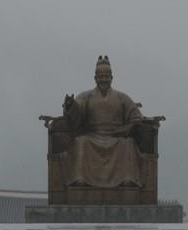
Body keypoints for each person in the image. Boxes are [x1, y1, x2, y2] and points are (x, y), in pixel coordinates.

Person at [61, 55, 143, 188]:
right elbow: (77, 112)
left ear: (112, 77)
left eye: (106, 76)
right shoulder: (86, 96)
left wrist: (127, 128)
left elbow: (136, 116)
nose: (104, 80)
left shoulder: (122, 97)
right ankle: (80, 180)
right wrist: (71, 105)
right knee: (81, 142)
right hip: (93, 136)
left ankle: (128, 180)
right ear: (95, 78)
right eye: (101, 76)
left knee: (128, 143)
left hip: (115, 137)